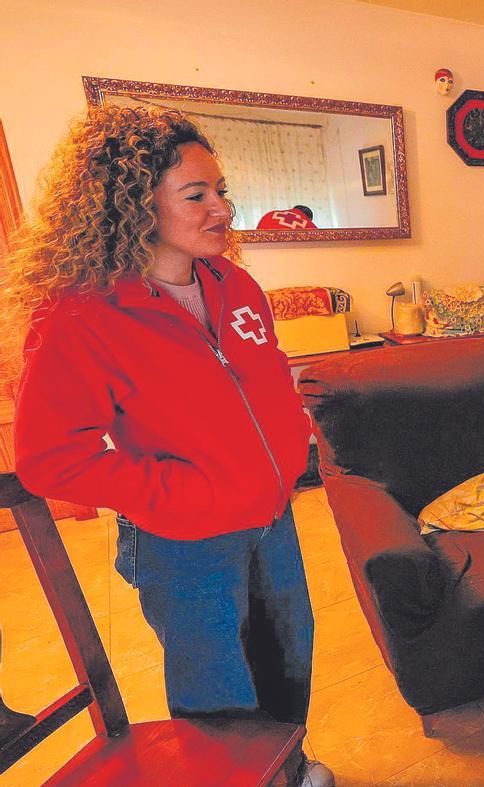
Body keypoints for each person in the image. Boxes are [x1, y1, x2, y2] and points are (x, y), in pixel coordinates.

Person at [4, 106, 333, 786]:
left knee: (288, 659)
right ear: (133, 202)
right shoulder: (83, 313)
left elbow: (263, 378)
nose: (223, 208)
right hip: (185, 543)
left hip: (271, 520)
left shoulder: (234, 284)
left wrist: (293, 440)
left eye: (221, 191)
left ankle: (285, 767)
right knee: (215, 687)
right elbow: (48, 454)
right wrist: (172, 492)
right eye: (197, 195)